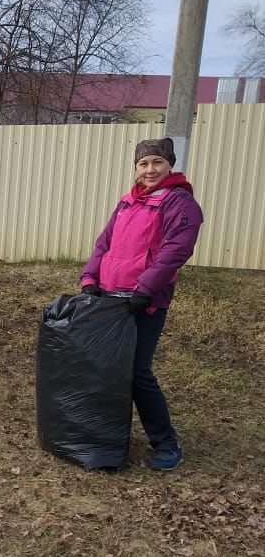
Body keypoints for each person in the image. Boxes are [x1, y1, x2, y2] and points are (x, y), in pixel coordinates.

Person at [80, 137, 204, 471]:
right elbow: (103, 243)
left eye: (157, 163)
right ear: (136, 168)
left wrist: (145, 289)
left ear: (169, 165)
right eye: (143, 164)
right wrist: (89, 279)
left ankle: (166, 443)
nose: (150, 170)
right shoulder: (127, 202)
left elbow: (175, 250)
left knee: (137, 372)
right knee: (106, 369)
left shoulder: (179, 202)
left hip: (145, 301)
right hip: (109, 298)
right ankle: (105, 435)